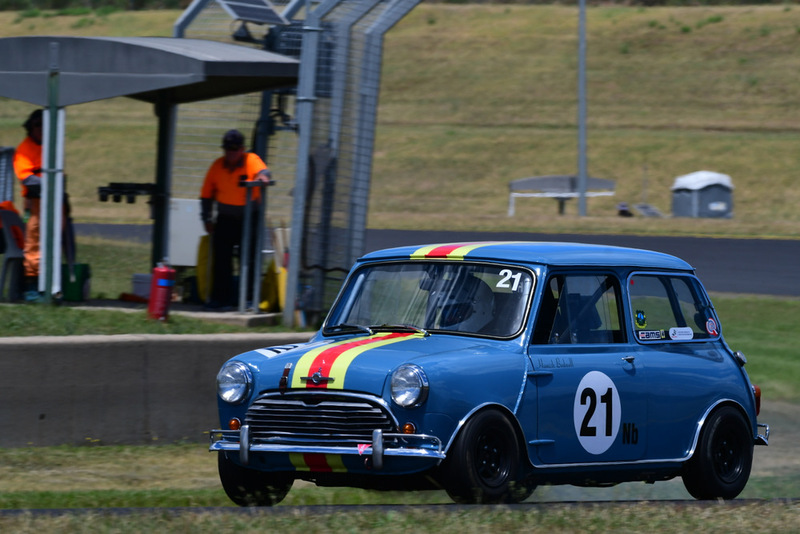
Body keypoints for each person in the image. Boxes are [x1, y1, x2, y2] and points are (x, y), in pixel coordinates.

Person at [199, 129, 272, 310]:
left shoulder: (251, 160)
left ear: (242, 149)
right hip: (225, 218)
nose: (230, 153)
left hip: (249, 218)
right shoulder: (217, 166)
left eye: (234, 149)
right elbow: (206, 195)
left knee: (249, 258)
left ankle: (248, 299)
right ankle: (220, 299)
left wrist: (263, 177)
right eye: (227, 149)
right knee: (221, 259)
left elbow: (263, 171)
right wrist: (206, 218)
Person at [13, 109, 43, 300]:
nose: (42, 130)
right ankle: (31, 288)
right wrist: (49, 184)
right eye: (38, 126)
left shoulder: (50, 145)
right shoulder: (24, 149)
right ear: (31, 127)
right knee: (33, 243)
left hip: (54, 201)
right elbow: (26, 178)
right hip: (34, 203)